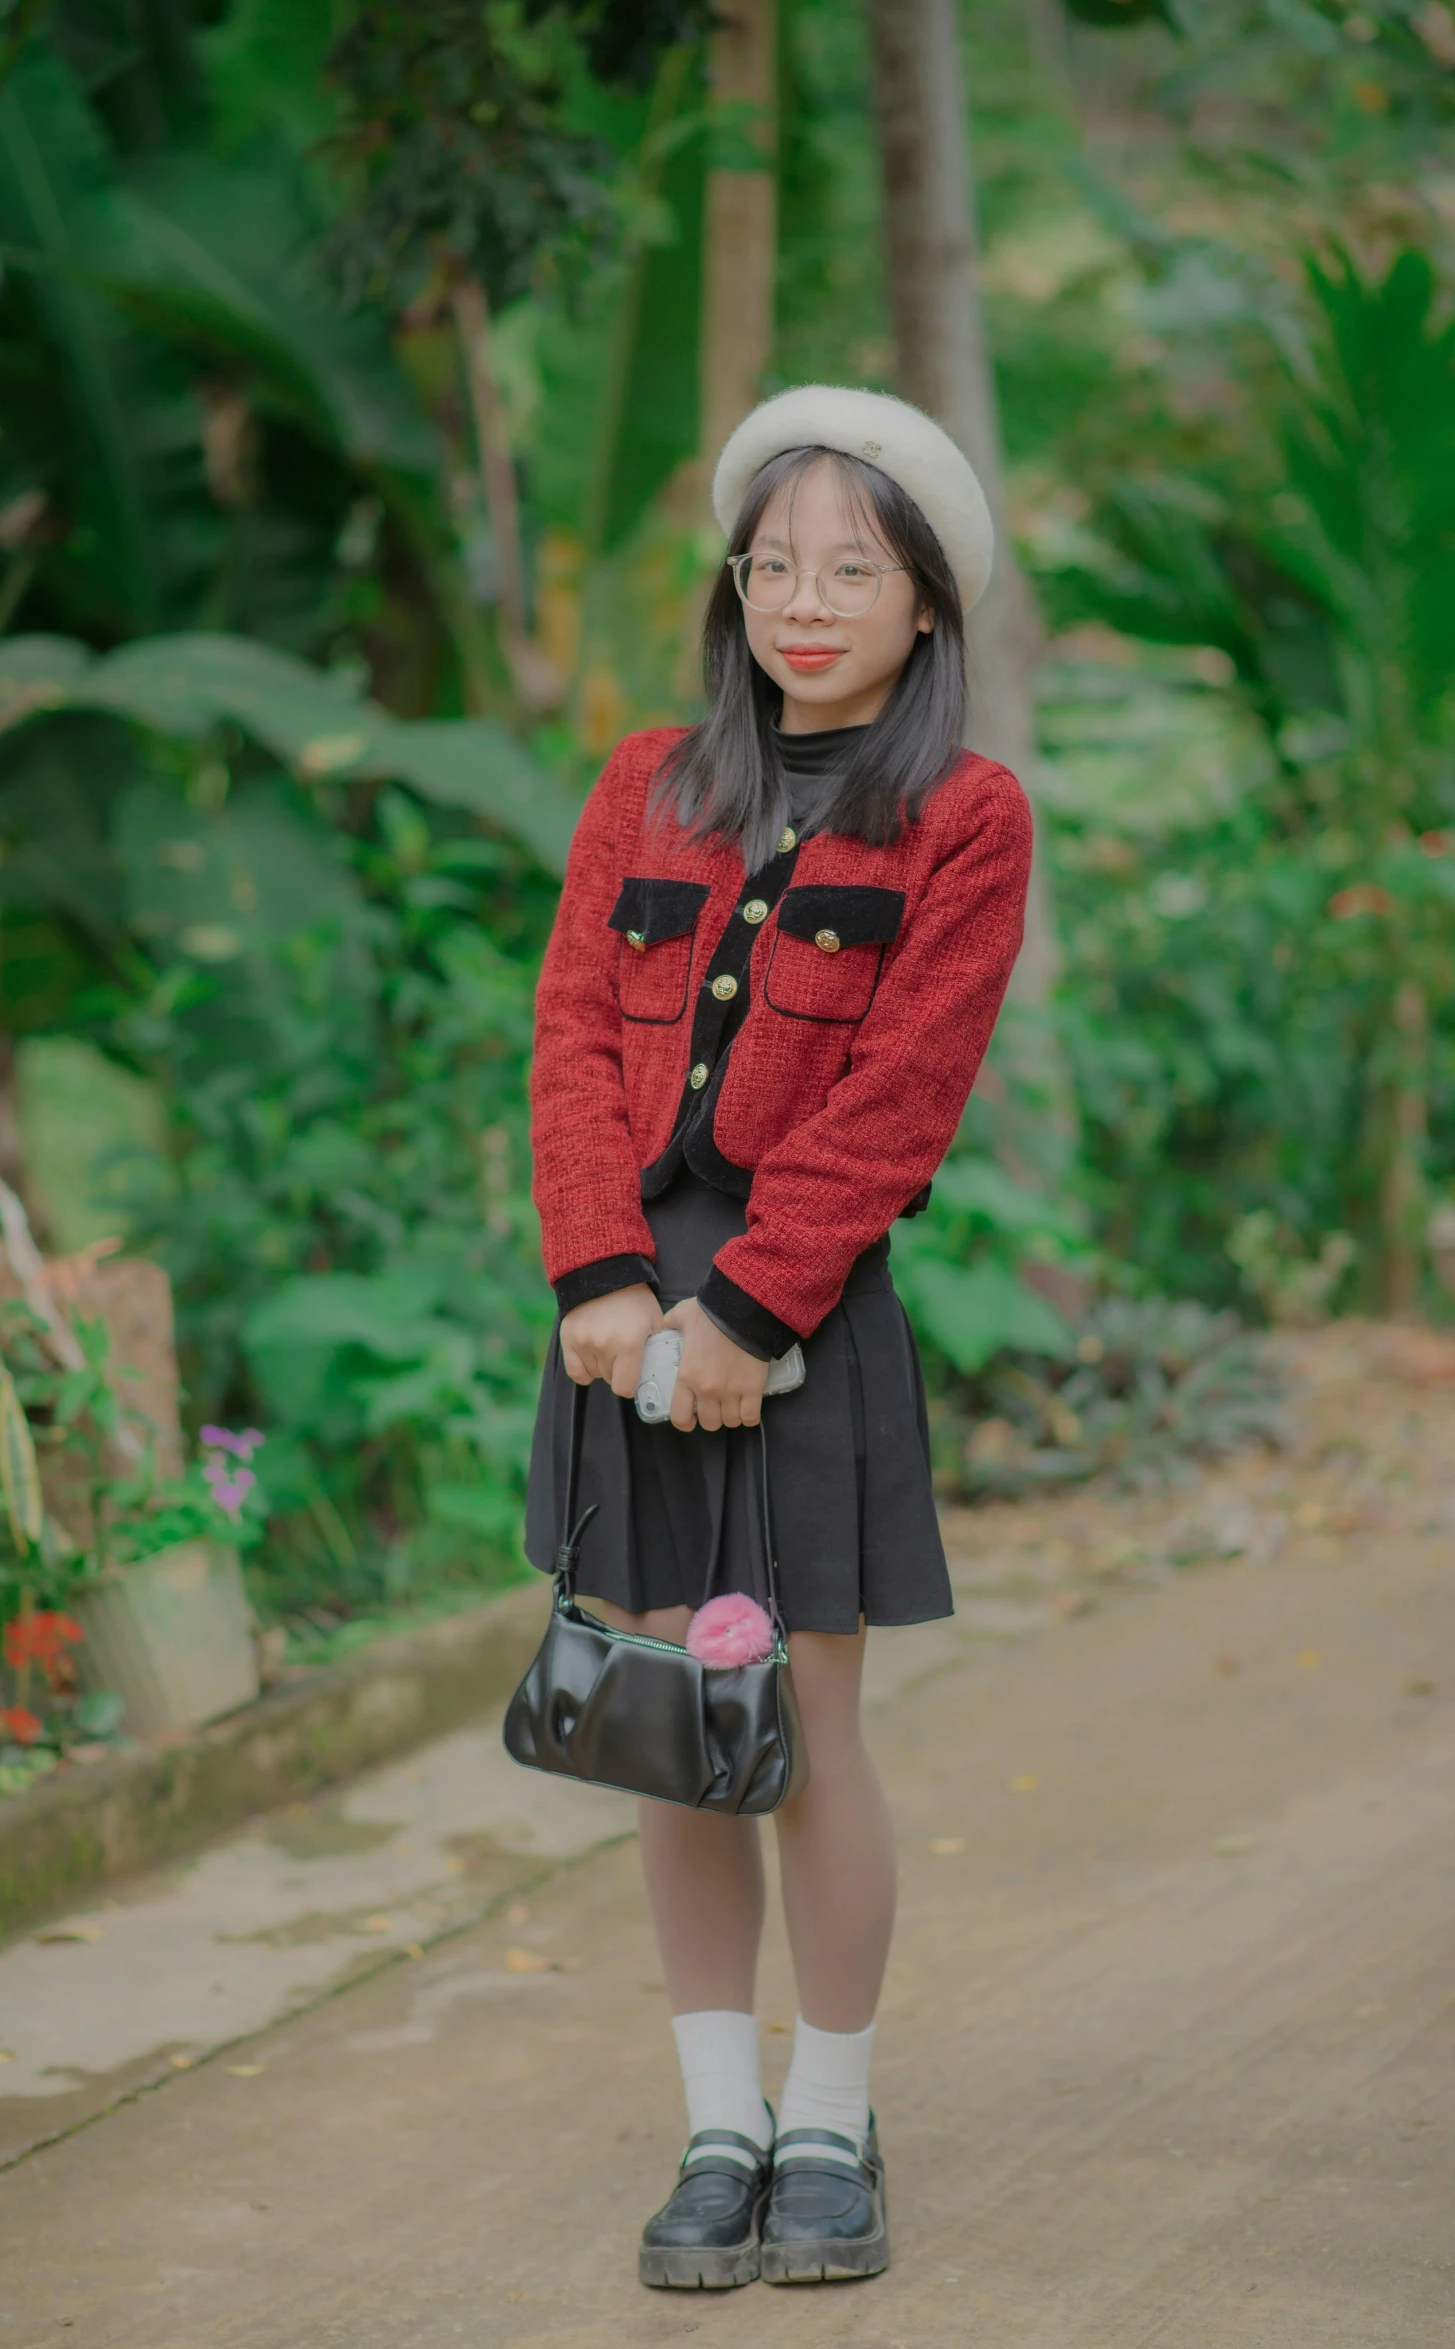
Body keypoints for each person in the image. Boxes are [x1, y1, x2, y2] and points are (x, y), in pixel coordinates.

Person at [525, 385, 1032, 2289]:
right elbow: (573, 1035)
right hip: (619, 1323)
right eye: (776, 564)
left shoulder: (964, 820)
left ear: (922, 606)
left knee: (803, 1729)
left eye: (854, 569)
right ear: (735, 584)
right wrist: (601, 1279)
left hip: (799, 1315)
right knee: (671, 1728)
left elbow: (906, 1091)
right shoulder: (648, 784)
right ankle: (717, 2122)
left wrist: (745, 1305)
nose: (806, 601)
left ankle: (830, 2115)